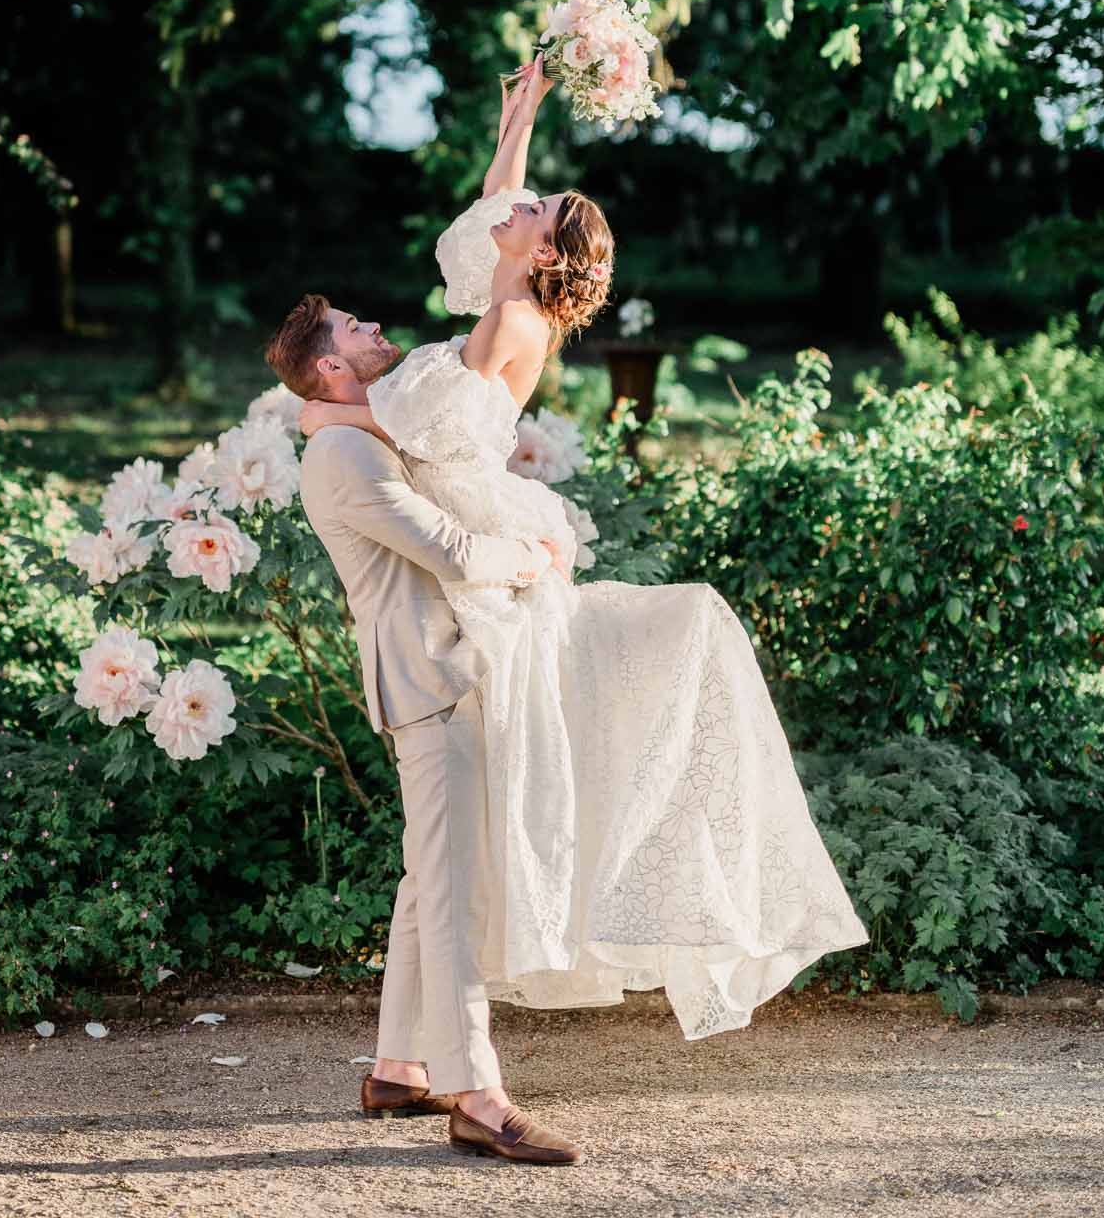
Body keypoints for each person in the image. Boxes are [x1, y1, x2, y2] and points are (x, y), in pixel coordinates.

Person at [267, 58, 868, 1164]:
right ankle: (439, 1079)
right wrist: (519, 115)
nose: (514, 205)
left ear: (538, 251)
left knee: (444, 866)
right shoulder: (465, 329)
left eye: (532, 210)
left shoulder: (501, 331)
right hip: (444, 618)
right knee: (437, 871)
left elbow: (449, 451)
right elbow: (483, 229)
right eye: (527, 197)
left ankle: (430, 1074)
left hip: (471, 598)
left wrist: (518, 548)